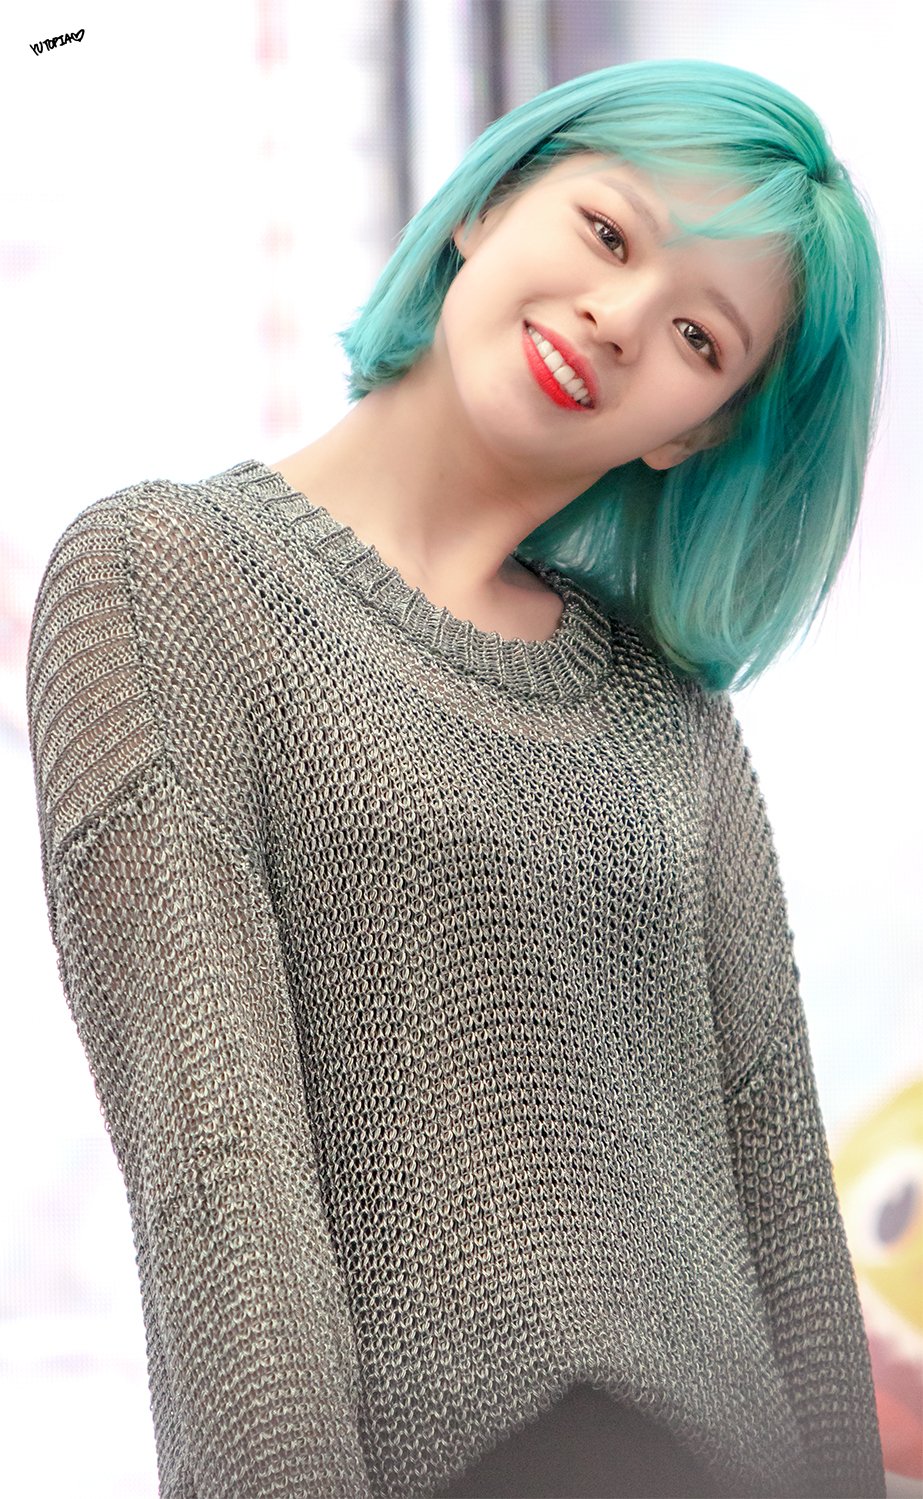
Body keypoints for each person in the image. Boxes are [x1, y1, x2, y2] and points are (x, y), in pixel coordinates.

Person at [26, 56, 887, 1499]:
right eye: (609, 232)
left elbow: (789, 1219)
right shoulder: (162, 581)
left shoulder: (673, 723)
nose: (619, 319)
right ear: (490, 202)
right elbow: (216, 1176)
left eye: (698, 337)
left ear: (695, 430)